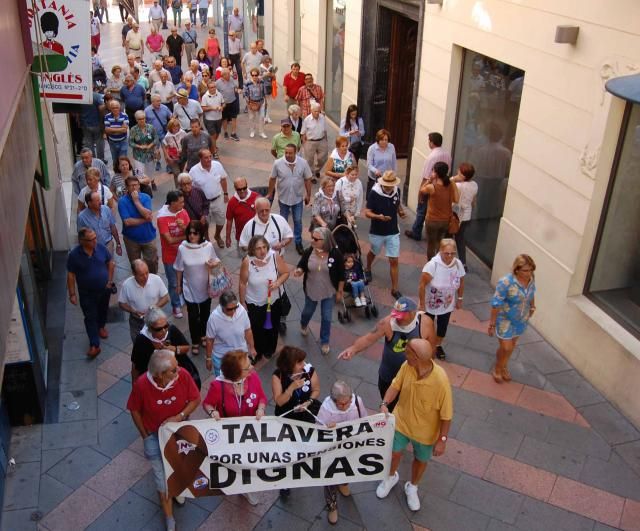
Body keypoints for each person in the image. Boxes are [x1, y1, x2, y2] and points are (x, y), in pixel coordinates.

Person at [127, 350, 200, 531]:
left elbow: (195, 399)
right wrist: (145, 436)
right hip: (154, 437)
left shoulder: (183, 376)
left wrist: (180, 416)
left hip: (179, 433)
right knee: (161, 480)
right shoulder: (142, 385)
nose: (180, 370)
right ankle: (169, 517)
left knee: (180, 466)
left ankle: (177, 490)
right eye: (174, 370)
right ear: (160, 375)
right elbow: (134, 409)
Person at [376, 338, 452, 512]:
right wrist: (385, 403)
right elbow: (395, 386)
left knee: (420, 461)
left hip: (425, 433)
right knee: (394, 453)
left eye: (408, 352)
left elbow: (446, 415)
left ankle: (413, 487)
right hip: (401, 422)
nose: (404, 353)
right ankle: (390, 477)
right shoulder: (406, 366)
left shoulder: (441, 380)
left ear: (417, 357)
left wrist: (442, 439)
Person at [338, 297, 435, 412]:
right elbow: (369, 338)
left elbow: (431, 347)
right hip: (389, 376)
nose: (397, 320)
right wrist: (353, 349)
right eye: (396, 315)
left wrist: (428, 371)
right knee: (391, 409)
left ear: (412, 313)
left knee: (411, 409)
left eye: (401, 317)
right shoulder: (386, 323)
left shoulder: (425, 323)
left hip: (412, 378)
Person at [202, 349, 265, 506]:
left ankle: (246, 488)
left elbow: (262, 397)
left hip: (251, 432)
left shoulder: (253, 377)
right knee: (234, 462)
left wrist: (261, 408)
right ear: (235, 372)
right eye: (247, 367)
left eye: (250, 364)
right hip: (229, 435)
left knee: (249, 461)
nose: (252, 368)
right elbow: (207, 403)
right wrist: (212, 412)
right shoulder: (218, 386)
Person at [317, 381, 367, 524]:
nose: (345, 407)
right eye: (341, 404)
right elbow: (317, 431)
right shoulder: (326, 409)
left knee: (348, 469)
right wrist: (326, 428)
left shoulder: (357, 402)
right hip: (332, 452)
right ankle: (332, 506)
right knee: (330, 479)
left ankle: (343, 483)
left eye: (347, 402)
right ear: (334, 401)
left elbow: (365, 420)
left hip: (350, 449)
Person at [294, 227, 344, 355]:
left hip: (328, 291)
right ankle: (303, 324)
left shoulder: (336, 254)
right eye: (312, 237)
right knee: (307, 312)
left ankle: (325, 341)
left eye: (316, 239)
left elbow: (341, 275)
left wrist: (339, 291)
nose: (312, 240)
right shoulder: (310, 250)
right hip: (312, 289)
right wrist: (299, 270)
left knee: (327, 317)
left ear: (325, 241)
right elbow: (302, 264)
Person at [239, 236, 289, 361]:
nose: (262, 251)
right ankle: (258, 351)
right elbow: (242, 283)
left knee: (273, 326)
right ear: (252, 249)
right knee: (256, 329)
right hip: (255, 302)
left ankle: (270, 349)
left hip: (273, 301)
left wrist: (277, 283)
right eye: (258, 248)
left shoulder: (274, 256)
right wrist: (242, 302)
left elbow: (286, 273)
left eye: (264, 247)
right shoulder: (247, 261)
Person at [66, 228, 115, 357]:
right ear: (82, 241)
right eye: (91, 239)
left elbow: (110, 262)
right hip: (86, 293)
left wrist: (109, 281)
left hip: (104, 289)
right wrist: (72, 294)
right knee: (90, 316)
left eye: (95, 237)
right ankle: (94, 344)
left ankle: (101, 326)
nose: (95, 241)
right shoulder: (74, 255)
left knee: (103, 310)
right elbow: (71, 275)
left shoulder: (101, 248)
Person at [489, 254, 536, 383]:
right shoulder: (506, 282)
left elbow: (532, 293)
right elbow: (496, 303)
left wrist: (532, 306)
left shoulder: (531, 280)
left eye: (531, 270)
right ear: (517, 269)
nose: (529, 273)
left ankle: (504, 366)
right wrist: (492, 324)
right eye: (525, 270)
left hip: (521, 319)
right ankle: (498, 368)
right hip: (505, 319)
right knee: (506, 347)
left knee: (511, 345)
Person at [175, 220, 219, 353]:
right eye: (190, 233)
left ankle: (203, 335)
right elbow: (178, 268)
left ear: (201, 234)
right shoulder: (182, 248)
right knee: (193, 316)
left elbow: (216, 260)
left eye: (195, 233)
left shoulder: (208, 246)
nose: (192, 236)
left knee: (205, 313)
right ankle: (195, 340)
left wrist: (212, 264)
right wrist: (178, 285)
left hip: (206, 287)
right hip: (189, 288)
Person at [418, 239, 465, 360]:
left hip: (447, 305)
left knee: (442, 328)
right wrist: (422, 304)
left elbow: (461, 281)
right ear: (440, 251)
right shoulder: (432, 265)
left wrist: (460, 298)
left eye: (452, 253)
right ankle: (426, 346)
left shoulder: (458, 264)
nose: (450, 256)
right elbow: (422, 285)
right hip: (430, 304)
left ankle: (437, 345)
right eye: (446, 253)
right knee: (427, 327)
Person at [365, 170, 406, 299]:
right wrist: (378, 217)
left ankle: (394, 289)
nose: (389, 187)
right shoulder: (374, 193)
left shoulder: (397, 191)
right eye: (387, 184)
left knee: (394, 260)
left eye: (392, 184)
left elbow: (397, 204)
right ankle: (368, 268)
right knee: (374, 252)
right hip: (377, 230)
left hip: (393, 230)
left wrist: (401, 212)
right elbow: (367, 212)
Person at [406, 132, 452, 242]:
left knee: (422, 209)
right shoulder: (447, 154)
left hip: (431, 186)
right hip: (443, 185)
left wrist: (420, 194)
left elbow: (426, 178)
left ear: (431, 143)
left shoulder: (431, 157)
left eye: (429, 141)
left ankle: (416, 232)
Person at [267, 144, 312, 255]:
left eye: (290, 153)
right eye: (286, 152)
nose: (287, 155)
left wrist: (308, 195)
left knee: (297, 220)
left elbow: (307, 179)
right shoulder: (277, 163)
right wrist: (269, 193)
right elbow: (272, 178)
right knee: (283, 220)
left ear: (295, 152)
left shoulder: (303, 163)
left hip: (297, 198)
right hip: (283, 198)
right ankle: (282, 240)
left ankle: (298, 241)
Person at [130, 307, 191, 380]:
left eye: (166, 326)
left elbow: (186, 347)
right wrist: (135, 385)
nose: (164, 330)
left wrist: (175, 349)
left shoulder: (172, 330)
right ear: (150, 329)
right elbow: (135, 366)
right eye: (159, 329)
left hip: (175, 376)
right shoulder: (142, 340)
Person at [205, 290, 256, 375]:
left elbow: (248, 330)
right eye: (229, 309)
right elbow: (210, 340)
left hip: (241, 355)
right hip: (222, 358)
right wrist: (208, 358)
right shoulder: (214, 318)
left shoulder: (242, 311)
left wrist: (252, 347)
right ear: (222, 306)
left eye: (235, 308)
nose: (233, 312)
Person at [157, 191, 190, 318]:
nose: (183, 204)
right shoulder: (162, 217)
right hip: (170, 256)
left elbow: (191, 230)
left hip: (185, 253)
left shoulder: (183, 211)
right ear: (172, 203)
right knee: (174, 282)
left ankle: (185, 297)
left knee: (186, 279)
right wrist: (185, 235)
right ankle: (176, 305)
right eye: (180, 202)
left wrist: (184, 228)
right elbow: (169, 240)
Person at [118, 176, 158, 273]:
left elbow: (147, 214)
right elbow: (127, 222)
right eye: (131, 186)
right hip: (131, 239)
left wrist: (136, 202)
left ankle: (152, 280)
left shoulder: (146, 197)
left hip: (148, 237)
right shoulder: (122, 201)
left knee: (152, 262)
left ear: (139, 186)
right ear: (127, 188)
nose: (134, 188)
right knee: (135, 265)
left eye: (136, 185)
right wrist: (145, 219)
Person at [189, 148, 228, 246]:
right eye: (206, 157)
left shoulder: (217, 165)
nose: (209, 159)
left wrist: (226, 193)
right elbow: (190, 188)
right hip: (203, 203)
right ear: (200, 159)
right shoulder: (193, 171)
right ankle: (207, 240)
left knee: (221, 220)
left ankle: (217, 235)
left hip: (218, 199)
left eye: (210, 156)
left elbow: (223, 179)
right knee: (204, 223)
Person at [272, 345, 320, 423]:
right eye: (300, 363)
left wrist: (309, 401)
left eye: (303, 361)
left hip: (307, 411)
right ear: (289, 365)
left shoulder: (309, 371)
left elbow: (316, 390)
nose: (304, 365)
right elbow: (279, 402)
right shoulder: (278, 376)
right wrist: (291, 388)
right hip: (287, 415)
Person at [422, 161, 460, 260]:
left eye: (433, 170)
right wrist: (452, 182)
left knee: (431, 244)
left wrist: (429, 180)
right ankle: (440, 262)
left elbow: (422, 190)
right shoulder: (450, 185)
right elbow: (456, 199)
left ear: (436, 173)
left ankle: (431, 263)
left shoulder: (432, 187)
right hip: (445, 221)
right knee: (440, 242)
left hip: (432, 220)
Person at [77, 191, 122, 256]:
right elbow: (81, 236)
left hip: (108, 245)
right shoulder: (82, 217)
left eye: (100, 199)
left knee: (110, 264)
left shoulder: (106, 209)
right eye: (97, 200)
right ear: (89, 203)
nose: (100, 202)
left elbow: (113, 227)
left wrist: (118, 244)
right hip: (93, 248)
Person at [451, 162, 478, 268]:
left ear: (462, 174)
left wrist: (454, 178)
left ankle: (447, 260)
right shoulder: (475, 185)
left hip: (456, 215)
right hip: (467, 215)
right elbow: (473, 201)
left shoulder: (458, 185)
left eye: (459, 171)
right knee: (460, 238)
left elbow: (447, 184)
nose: (457, 171)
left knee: (449, 237)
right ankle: (463, 262)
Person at [225, 177, 258, 250]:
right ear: (235, 188)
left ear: (247, 185)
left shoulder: (256, 197)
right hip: (242, 237)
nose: (242, 191)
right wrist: (228, 237)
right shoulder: (232, 202)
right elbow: (229, 221)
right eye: (239, 189)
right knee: (244, 258)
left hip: (257, 235)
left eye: (244, 188)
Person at [129, 111, 159, 187]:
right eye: (139, 119)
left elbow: (156, 139)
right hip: (138, 155)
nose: (142, 120)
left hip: (150, 154)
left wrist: (150, 145)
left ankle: (151, 182)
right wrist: (139, 146)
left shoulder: (150, 127)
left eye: (143, 118)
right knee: (139, 172)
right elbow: (130, 142)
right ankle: (142, 187)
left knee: (150, 171)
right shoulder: (133, 129)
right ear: (136, 120)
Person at [301, 101, 328, 180]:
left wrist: (326, 140)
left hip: (321, 140)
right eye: (315, 111)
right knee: (309, 160)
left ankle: (316, 170)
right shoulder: (307, 120)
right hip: (310, 141)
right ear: (311, 110)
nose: (317, 113)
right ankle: (312, 175)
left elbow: (325, 130)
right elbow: (303, 132)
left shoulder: (322, 118)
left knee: (323, 158)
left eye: (318, 111)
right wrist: (304, 144)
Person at [366, 129, 397, 197]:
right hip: (375, 178)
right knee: (373, 198)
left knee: (386, 197)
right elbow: (369, 164)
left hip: (387, 178)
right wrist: (375, 170)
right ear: (378, 140)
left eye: (386, 140)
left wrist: (394, 174)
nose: (384, 142)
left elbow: (394, 162)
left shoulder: (391, 147)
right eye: (382, 140)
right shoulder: (372, 148)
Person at [80, 86, 106, 162]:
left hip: (85, 123)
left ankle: (92, 159)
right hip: (97, 123)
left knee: (89, 143)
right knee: (99, 142)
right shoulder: (97, 96)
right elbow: (101, 108)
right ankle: (100, 159)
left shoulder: (81, 96)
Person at [201, 81, 225, 158]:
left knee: (217, 134)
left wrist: (222, 107)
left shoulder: (219, 94)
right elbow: (203, 108)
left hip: (219, 118)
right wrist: (212, 108)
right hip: (209, 119)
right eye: (211, 87)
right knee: (213, 135)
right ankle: (214, 151)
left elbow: (223, 103)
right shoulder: (205, 97)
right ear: (208, 88)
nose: (213, 89)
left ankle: (211, 144)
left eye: (214, 87)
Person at [217, 67, 241, 141]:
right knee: (224, 118)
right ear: (223, 75)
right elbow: (216, 93)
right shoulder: (218, 83)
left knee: (234, 117)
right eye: (227, 74)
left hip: (233, 101)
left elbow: (235, 88)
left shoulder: (231, 79)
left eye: (229, 73)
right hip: (224, 103)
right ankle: (225, 132)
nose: (229, 75)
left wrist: (237, 90)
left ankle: (233, 133)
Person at [243, 67, 267, 139]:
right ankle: (252, 131)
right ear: (251, 75)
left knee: (262, 117)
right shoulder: (247, 82)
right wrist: (248, 103)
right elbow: (244, 93)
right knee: (252, 118)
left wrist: (266, 102)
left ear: (258, 75)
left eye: (256, 75)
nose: (254, 77)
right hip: (251, 103)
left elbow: (264, 92)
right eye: (252, 75)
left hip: (261, 102)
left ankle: (261, 132)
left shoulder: (262, 81)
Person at [163, 119, 187, 185]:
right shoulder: (167, 136)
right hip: (173, 157)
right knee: (176, 172)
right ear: (170, 127)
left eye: (177, 126)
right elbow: (165, 147)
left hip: (182, 156)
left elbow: (186, 142)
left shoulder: (183, 132)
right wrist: (167, 157)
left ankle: (181, 186)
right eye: (174, 126)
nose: (176, 128)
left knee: (180, 172)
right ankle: (178, 188)